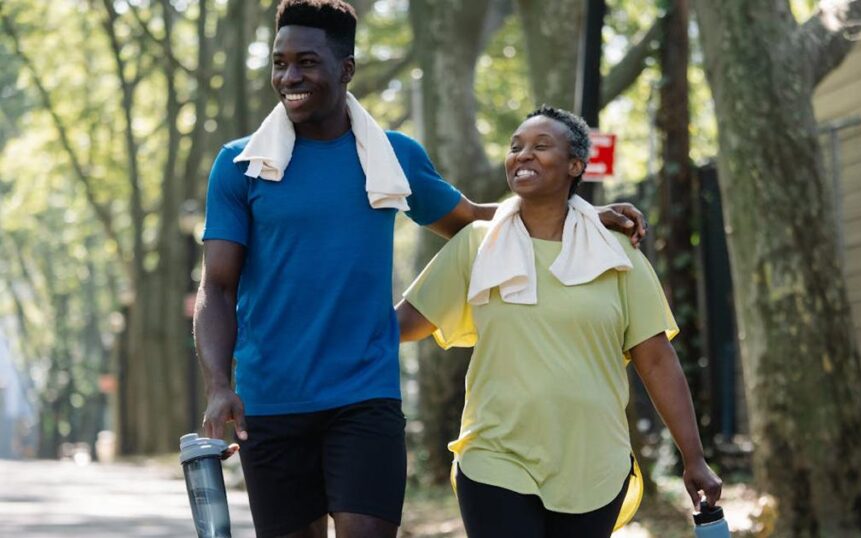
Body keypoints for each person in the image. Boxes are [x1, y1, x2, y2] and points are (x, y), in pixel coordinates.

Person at [194, 1, 646, 537]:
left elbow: (480, 222)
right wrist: (220, 383)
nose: (289, 77)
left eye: (307, 62)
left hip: (364, 397)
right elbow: (217, 288)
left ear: (345, 69)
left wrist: (581, 214)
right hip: (271, 398)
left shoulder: (393, 156)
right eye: (280, 62)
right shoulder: (241, 164)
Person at [396, 106, 722, 538]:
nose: (522, 155)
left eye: (540, 146)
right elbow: (402, 324)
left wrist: (693, 457)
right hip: (496, 455)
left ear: (575, 166)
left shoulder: (617, 253)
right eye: (516, 147)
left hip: (594, 464)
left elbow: (657, 361)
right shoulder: (477, 244)